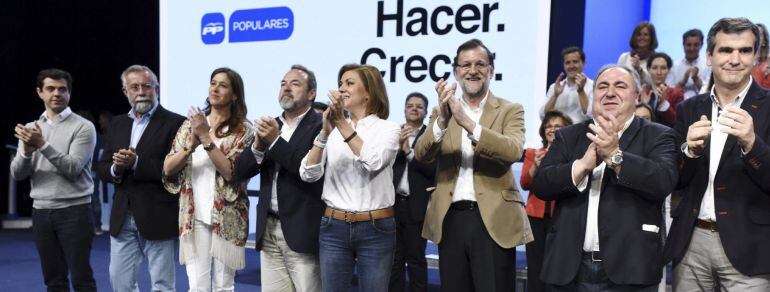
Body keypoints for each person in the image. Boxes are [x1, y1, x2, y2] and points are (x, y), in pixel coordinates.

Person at [532, 64, 678, 291]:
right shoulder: (568, 136)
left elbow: (663, 181)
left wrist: (615, 157)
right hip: (569, 269)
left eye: (620, 86)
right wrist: (581, 166)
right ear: (593, 95)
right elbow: (542, 184)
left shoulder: (658, 135)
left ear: (637, 96)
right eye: (602, 86)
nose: (610, 93)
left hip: (630, 270)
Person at [413, 39, 531, 292]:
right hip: (450, 218)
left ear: (491, 69)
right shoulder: (442, 111)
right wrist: (443, 121)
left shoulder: (510, 109)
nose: (473, 70)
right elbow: (422, 154)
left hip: (493, 219)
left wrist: (467, 122)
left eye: (480, 64)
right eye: (465, 65)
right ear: (456, 71)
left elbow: (512, 150)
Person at [665, 17, 770, 291]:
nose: (734, 59)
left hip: (751, 247)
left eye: (745, 51)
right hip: (691, 242)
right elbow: (674, 179)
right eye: (725, 50)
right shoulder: (689, 108)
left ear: (756, 56)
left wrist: (751, 143)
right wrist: (689, 151)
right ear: (709, 56)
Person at [299, 63, 400, 292]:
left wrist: (341, 124)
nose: (342, 89)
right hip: (334, 227)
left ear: (369, 93)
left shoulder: (389, 129)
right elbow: (308, 173)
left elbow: (373, 162)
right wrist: (324, 131)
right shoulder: (333, 132)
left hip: (376, 228)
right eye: (340, 84)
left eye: (350, 83)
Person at [232, 65, 324, 291]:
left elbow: (306, 171)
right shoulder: (271, 125)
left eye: (295, 84)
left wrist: (274, 141)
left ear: (311, 93)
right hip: (269, 227)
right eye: (283, 84)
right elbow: (240, 171)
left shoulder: (321, 127)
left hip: (302, 231)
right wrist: (258, 146)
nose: (286, 88)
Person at [163, 67, 255, 291]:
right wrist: (190, 145)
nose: (215, 88)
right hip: (193, 216)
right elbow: (168, 168)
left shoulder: (244, 130)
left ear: (235, 95)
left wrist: (205, 137)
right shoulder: (189, 125)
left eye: (223, 85)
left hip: (228, 216)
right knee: (197, 285)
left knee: (224, 285)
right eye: (213, 83)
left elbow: (231, 172)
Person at [98, 65, 185, 292]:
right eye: (134, 87)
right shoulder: (117, 123)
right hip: (122, 217)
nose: (141, 92)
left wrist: (135, 163)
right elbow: (102, 168)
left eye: (147, 86)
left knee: (162, 285)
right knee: (120, 283)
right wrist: (117, 168)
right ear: (125, 92)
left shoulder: (176, 123)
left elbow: (175, 171)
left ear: (156, 89)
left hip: (158, 214)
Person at [11, 68, 98, 291]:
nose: (56, 94)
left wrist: (41, 144)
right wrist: (27, 152)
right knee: (54, 281)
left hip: (75, 211)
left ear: (69, 93)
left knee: (82, 280)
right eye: (50, 89)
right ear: (40, 92)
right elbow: (17, 174)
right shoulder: (31, 128)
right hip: (41, 212)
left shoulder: (83, 127)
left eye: (62, 89)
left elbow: (72, 168)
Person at [519, 110, 572, 292]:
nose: (552, 129)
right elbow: (525, 183)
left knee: (559, 266)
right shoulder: (533, 153)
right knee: (536, 267)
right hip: (535, 218)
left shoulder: (572, 156)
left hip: (562, 218)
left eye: (557, 126)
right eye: (548, 126)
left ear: (567, 130)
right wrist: (534, 167)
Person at [389, 92, 436, 292]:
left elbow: (432, 170)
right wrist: (398, 147)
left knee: (416, 259)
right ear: (405, 110)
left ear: (425, 112)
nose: (414, 109)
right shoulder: (394, 133)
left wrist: (408, 152)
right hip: (393, 204)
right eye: (410, 106)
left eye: (419, 106)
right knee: (394, 259)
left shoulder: (432, 137)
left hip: (417, 205)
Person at [541, 47, 594, 123]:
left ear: (583, 63)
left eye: (575, 62)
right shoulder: (555, 87)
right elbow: (543, 115)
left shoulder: (593, 86)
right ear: (564, 65)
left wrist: (581, 91)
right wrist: (555, 96)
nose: (571, 66)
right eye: (567, 63)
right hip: (558, 132)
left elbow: (591, 115)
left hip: (581, 132)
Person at [667, 29, 712, 100]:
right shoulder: (674, 66)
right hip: (677, 106)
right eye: (688, 45)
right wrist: (683, 81)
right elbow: (669, 93)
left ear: (702, 45)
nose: (692, 48)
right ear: (683, 45)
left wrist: (696, 79)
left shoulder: (709, 66)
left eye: (696, 45)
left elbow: (709, 92)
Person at [642, 52, 682, 126]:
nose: (659, 72)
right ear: (648, 69)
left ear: (669, 70)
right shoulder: (642, 93)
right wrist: (643, 106)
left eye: (663, 68)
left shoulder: (677, 94)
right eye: (654, 68)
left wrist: (663, 103)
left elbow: (678, 122)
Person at [618, 21, 658, 86]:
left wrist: (639, 69)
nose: (642, 38)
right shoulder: (624, 57)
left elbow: (655, 83)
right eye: (639, 34)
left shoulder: (656, 59)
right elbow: (618, 79)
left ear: (651, 38)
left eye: (646, 35)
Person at [751, 23, 770, 89]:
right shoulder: (744, 58)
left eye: (760, 34)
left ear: (764, 41)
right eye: (755, 34)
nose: (756, 37)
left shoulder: (768, 59)